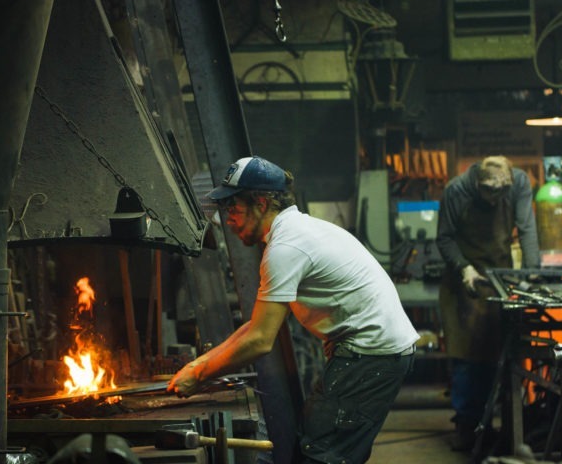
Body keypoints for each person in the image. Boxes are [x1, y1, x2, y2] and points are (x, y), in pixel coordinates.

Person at [167, 155, 419, 463]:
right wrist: (199, 366)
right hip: (372, 353)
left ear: (261, 203)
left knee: (319, 454)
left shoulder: (286, 248)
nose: (227, 217)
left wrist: (200, 376)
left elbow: (260, 340)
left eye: (233, 206)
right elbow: (257, 326)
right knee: (329, 448)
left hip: (370, 356)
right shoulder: (296, 232)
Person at [436, 155, 540, 451]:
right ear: (478, 184)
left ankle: (511, 427)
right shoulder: (456, 191)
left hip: (500, 277)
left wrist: (532, 272)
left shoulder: (518, 183)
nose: (496, 199)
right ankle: (468, 428)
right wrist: (463, 268)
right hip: (465, 281)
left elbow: (527, 228)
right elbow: (444, 239)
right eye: (489, 192)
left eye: (501, 192)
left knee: (504, 355)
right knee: (469, 359)